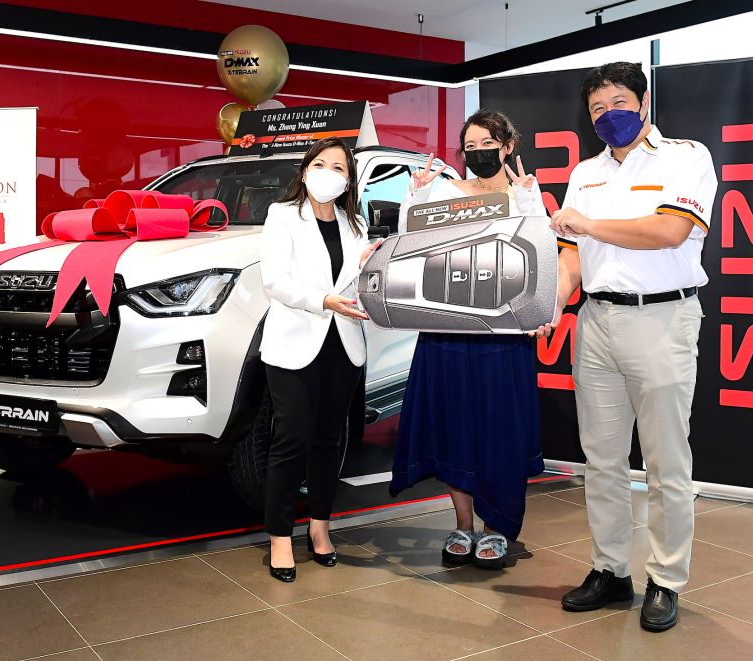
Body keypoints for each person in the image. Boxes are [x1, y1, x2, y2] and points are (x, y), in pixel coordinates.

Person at [549, 62, 716, 632]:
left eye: (619, 101)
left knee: (666, 461)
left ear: (643, 102)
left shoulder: (685, 158)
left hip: (662, 318)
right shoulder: (585, 172)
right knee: (601, 459)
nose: (608, 114)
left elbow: (670, 231)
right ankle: (611, 570)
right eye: (597, 107)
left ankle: (665, 579)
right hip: (595, 320)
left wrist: (587, 224)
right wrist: (556, 301)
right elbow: (571, 253)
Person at [391, 110, 547, 570]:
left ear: (508, 147)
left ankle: (497, 527)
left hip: (503, 331)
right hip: (447, 328)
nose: (478, 152)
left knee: (500, 428)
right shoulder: (443, 192)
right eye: (471, 146)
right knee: (452, 425)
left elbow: (541, 253)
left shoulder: (524, 192)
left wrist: (529, 202)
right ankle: (463, 524)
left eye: (488, 144)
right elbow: (409, 242)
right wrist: (416, 195)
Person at [259, 137, 382, 583]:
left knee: (330, 441)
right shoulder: (282, 215)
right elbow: (274, 280)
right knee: (290, 438)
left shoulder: (355, 224)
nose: (328, 173)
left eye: (339, 167)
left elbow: (359, 280)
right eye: (320, 163)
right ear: (305, 170)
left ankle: (320, 527)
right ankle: (279, 536)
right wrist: (323, 301)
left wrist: (370, 268)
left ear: (349, 180)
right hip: (294, 342)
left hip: (343, 344)